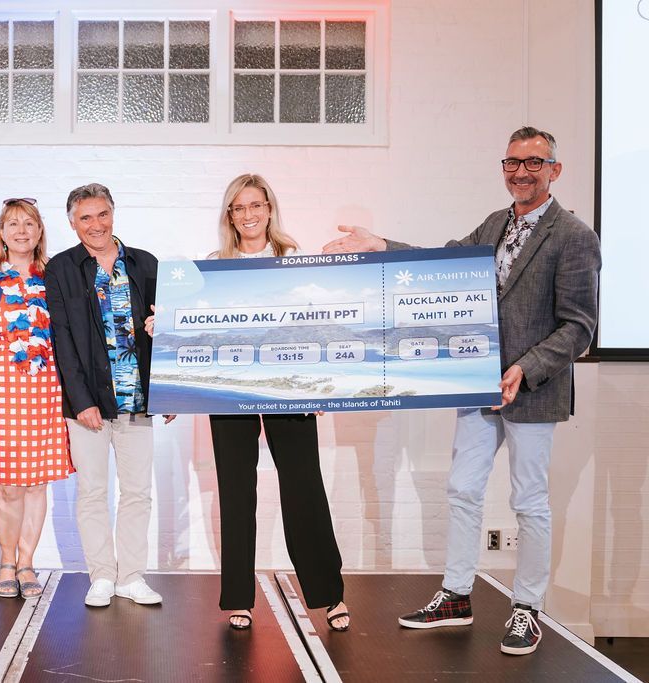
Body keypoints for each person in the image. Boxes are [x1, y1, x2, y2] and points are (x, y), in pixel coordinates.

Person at [323, 127, 601, 655]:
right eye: (512, 162)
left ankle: (526, 608)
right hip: (478, 388)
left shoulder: (573, 236)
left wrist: (526, 367)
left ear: (555, 171)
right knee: (463, 490)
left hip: (532, 391)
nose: (521, 172)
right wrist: (382, 246)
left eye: (534, 163)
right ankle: (456, 595)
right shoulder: (495, 225)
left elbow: (580, 326)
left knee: (530, 500)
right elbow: (446, 266)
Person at [147, 173, 349, 631]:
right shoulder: (212, 267)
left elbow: (317, 325)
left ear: (270, 209)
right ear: (230, 216)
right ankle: (238, 597)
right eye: (239, 208)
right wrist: (168, 335)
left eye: (255, 205)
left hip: (288, 386)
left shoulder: (294, 261)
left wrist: (320, 385)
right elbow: (196, 330)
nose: (248, 215)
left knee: (305, 489)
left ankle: (330, 595)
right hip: (229, 389)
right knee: (235, 491)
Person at [45, 183, 171, 608]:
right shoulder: (61, 268)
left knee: (137, 492)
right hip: (89, 404)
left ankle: (131, 576)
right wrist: (81, 400)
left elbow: (168, 330)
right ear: (72, 222)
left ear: (113, 214)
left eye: (102, 215)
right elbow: (61, 337)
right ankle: (101, 575)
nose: (95, 225)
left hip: (138, 399)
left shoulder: (146, 264)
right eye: (85, 218)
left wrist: (168, 392)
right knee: (93, 492)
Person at [0, 198, 74, 599]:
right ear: (2, 231)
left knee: (36, 484)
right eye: (13, 223)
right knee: (6, 486)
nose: (21, 230)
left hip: (45, 389)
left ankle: (27, 562)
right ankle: (6, 561)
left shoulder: (55, 277)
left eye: (29, 223)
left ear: (40, 231)